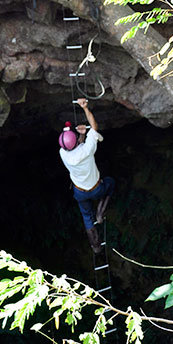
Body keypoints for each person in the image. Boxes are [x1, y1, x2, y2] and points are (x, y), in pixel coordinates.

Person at [58, 98, 115, 254]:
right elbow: (94, 127)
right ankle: (100, 212)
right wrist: (85, 108)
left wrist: (81, 136)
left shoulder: (63, 153)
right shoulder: (87, 149)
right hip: (96, 189)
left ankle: (96, 246)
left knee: (86, 216)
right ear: (76, 141)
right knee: (110, 182)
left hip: (79, 192)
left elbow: (75, 147)